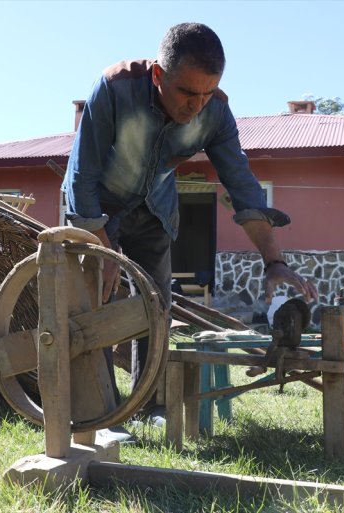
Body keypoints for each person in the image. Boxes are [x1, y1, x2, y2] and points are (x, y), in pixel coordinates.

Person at [62, 22, 318, 430]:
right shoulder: (114, 88)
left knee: (155, 307)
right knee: (96, 307)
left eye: (206, 93)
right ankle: (103, 414)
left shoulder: (215, 111)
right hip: (95, 211)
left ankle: (150, 406)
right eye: (186, 92)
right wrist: (100, 248)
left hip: (155, 212)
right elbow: (81, 177)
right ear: (159, 76)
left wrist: (274, 261)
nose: (196, 105)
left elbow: (242, 185)